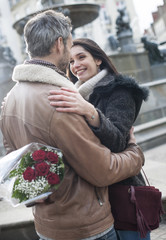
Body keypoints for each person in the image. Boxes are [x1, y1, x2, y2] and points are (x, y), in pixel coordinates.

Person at [0, 10, 145, 240]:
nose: (72, 60)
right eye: (69, 44)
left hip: (47, 225)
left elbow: (14, 159)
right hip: (85, 226)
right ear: (60, 43)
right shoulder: (59, 100)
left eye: (82, 57)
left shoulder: (9, 100)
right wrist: (135, 153)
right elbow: (103, 170)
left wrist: (33, 192)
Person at [48, 38, 150, 240]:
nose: (76, 65)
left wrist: (90, 111)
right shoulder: (76, 94)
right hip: (91, 199)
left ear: (98, 60)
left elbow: (120, 142)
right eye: (71, 61)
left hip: (121, 191)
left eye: (81, 57)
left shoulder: (120, 90)